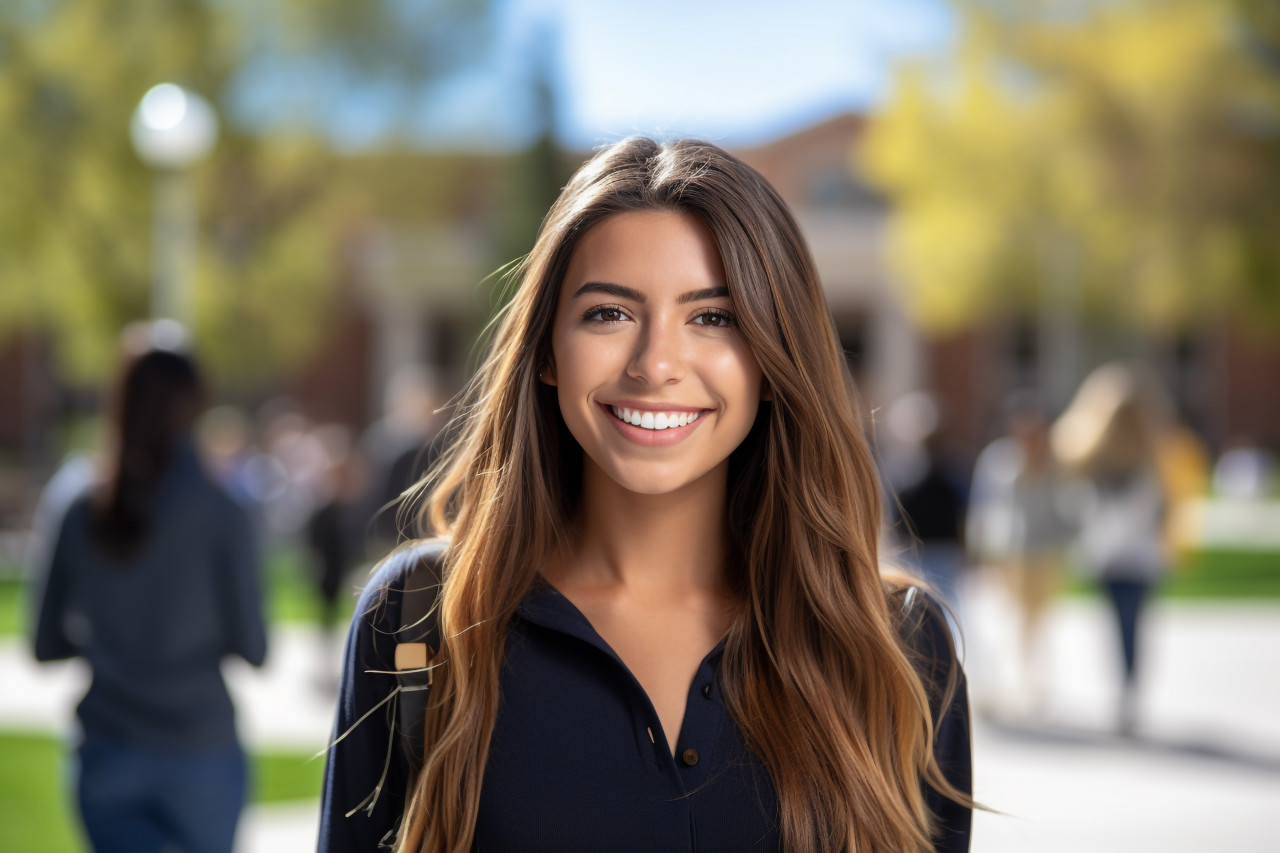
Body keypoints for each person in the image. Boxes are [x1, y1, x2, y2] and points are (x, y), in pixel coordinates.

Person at [320, 138, 972, 853]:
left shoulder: (900, 647)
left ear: (774, 357)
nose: (657, 364)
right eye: (609, 313)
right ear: (545, 351)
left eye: (713, 317)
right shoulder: (418, 621)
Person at [30, 341, 267, 853]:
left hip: (107, 748)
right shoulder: (222, 507)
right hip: (201, 750)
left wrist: (116, 643)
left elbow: (45, 644)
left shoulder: (75, 500)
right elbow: (255, 647)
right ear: (194, 405)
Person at [1051, 362, 1169, 735]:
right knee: (1128, 628)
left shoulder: (1138, 462)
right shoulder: (1119, 460)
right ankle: (1126, 693)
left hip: (1124, 559)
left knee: (1124, 627)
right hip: (1130, 559)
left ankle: (1126, 694)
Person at [965, 392, 1075, 716]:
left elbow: (1068, 511)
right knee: (1005, 619)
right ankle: (1005, 683)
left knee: (1037, 622)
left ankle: (1033, 682)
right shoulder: (999, 460)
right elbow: (984, 506)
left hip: (1043, 555)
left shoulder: (1054, 464)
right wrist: (979, 549)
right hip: (1007, 554)